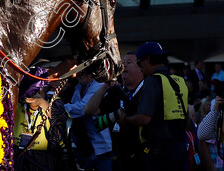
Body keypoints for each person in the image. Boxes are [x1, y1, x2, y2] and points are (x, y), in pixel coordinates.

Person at [125, 42, 190, 170]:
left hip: (159, 150)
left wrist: (125, 119)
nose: (140, 68)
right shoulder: (180, 81)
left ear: (147, 59)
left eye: (139, 63)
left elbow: (144, 118)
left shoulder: (152, 81)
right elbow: (187, 119)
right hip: (181, 147)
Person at [85, 51, 146, 170]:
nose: (124, 66)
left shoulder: (147, 90)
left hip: (142, 157)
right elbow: (89, 110)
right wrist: (105, 86)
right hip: (119, 157)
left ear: (141, 68)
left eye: (129, 62)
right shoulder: (116, 92)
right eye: (123, 62)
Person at [64, 71, 113, 171]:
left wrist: (59, 107)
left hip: (100, 148)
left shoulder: (99, 86)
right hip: (83, 146)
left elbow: (83, 109)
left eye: (85, 71)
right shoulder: (77, 88)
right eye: (79, 71)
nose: (82, 74)